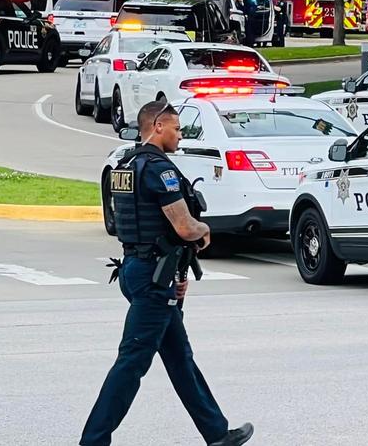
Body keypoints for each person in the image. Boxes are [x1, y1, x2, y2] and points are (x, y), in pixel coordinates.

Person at [80, 101, 253, 446]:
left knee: (180, 359)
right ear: (158, 126)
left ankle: (217, 433)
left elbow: (137, 225)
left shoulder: (126, 165)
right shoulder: (161, 170)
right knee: (131, 364)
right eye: (176, 128)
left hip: (139, 269)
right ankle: (93, 441)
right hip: (152, 279)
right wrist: (203, 230)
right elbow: (183, 225)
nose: (180, 135)